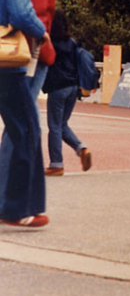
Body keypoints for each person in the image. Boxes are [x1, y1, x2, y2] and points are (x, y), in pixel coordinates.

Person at [0, 0, 58, 199]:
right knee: (22, 126)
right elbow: (31, 12)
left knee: (18, 124)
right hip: (22, 54)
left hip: (20, 53)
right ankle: (13, 199)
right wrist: (42, 38)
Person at [41, 10, 92, 177]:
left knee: (54, 126)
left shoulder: (50, 42)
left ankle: (56, 164)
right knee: (62, 124)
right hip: (72, 86)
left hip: (57, 87)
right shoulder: (72, 42)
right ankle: (81, 148)